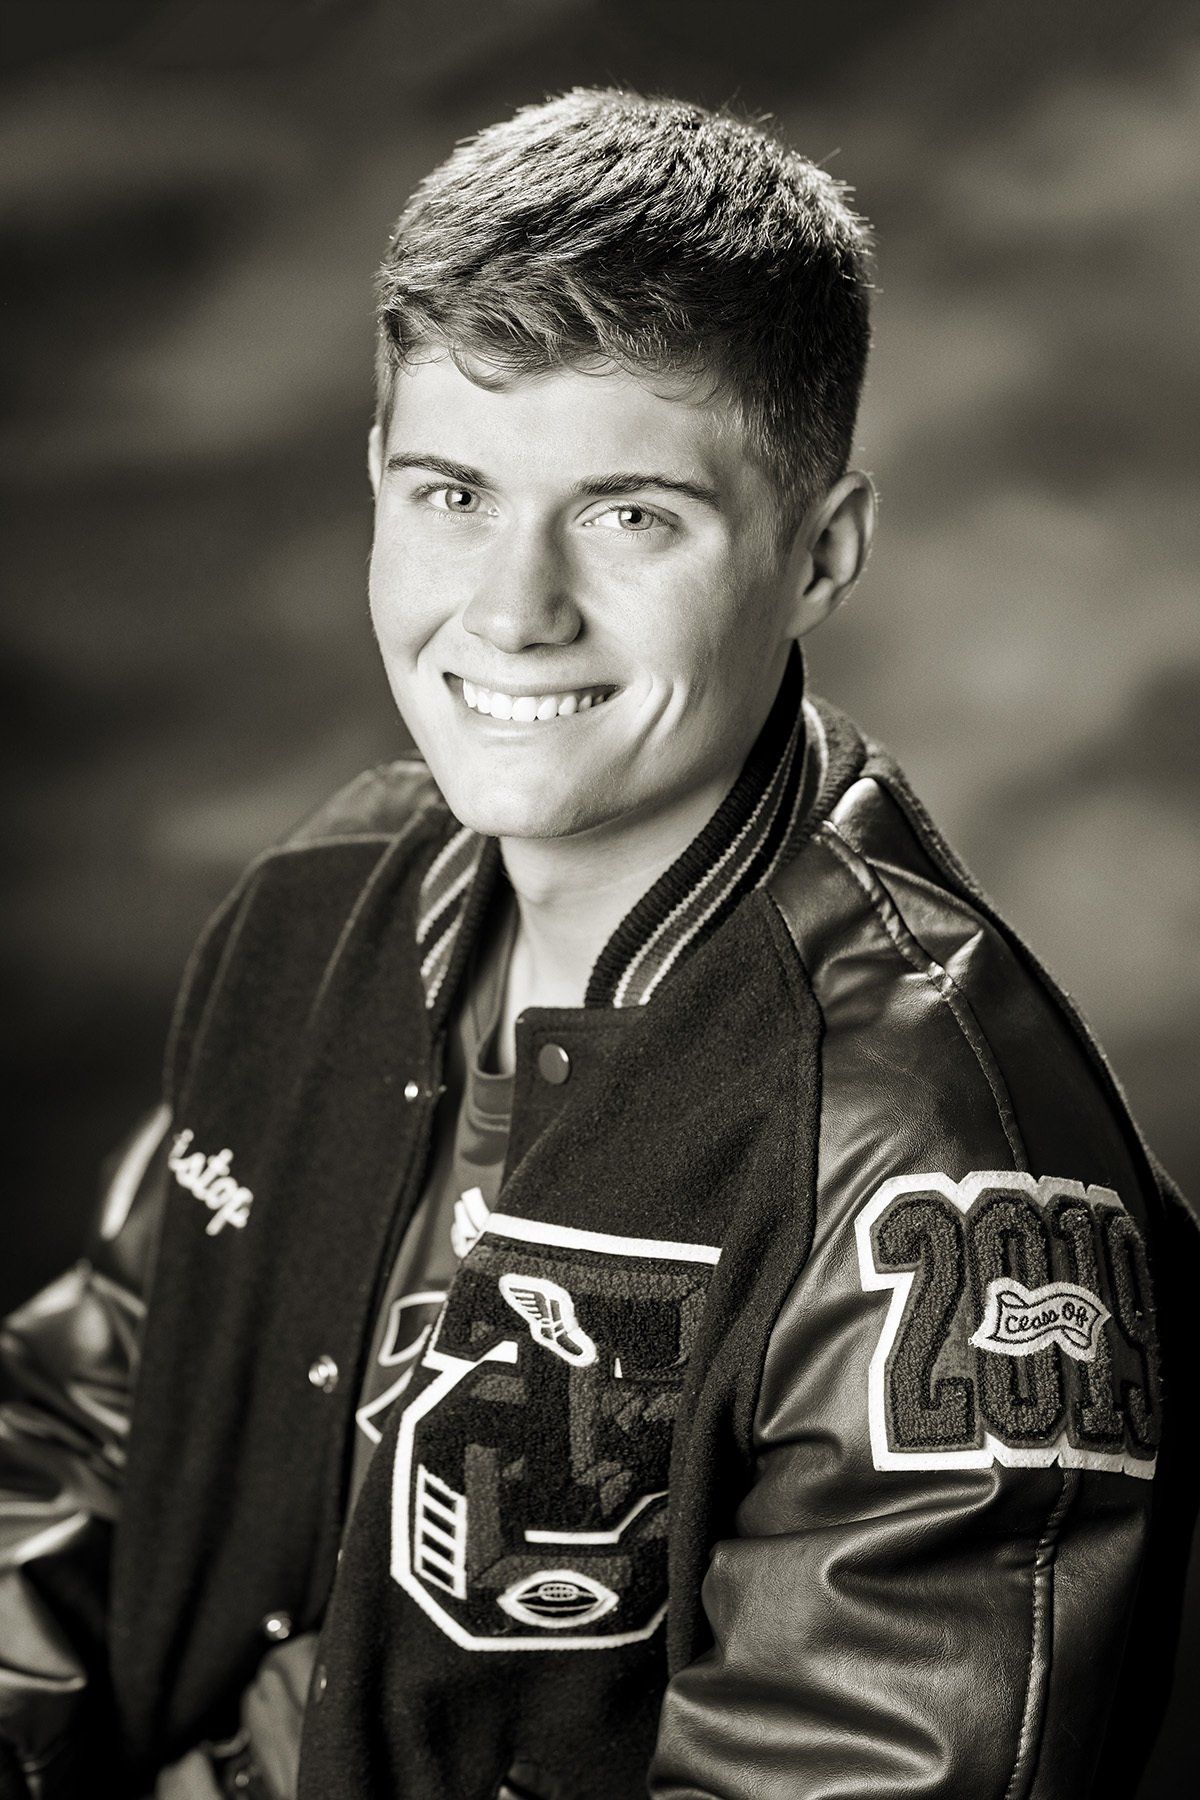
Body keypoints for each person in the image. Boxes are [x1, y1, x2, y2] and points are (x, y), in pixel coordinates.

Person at [0, 88, 1195, 1800]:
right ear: (376, 483)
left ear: (821, 552)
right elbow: (91, 1413)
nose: (511, 609)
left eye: (632, 514)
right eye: (452, 493)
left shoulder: (933, 1164)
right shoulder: (317, 902)